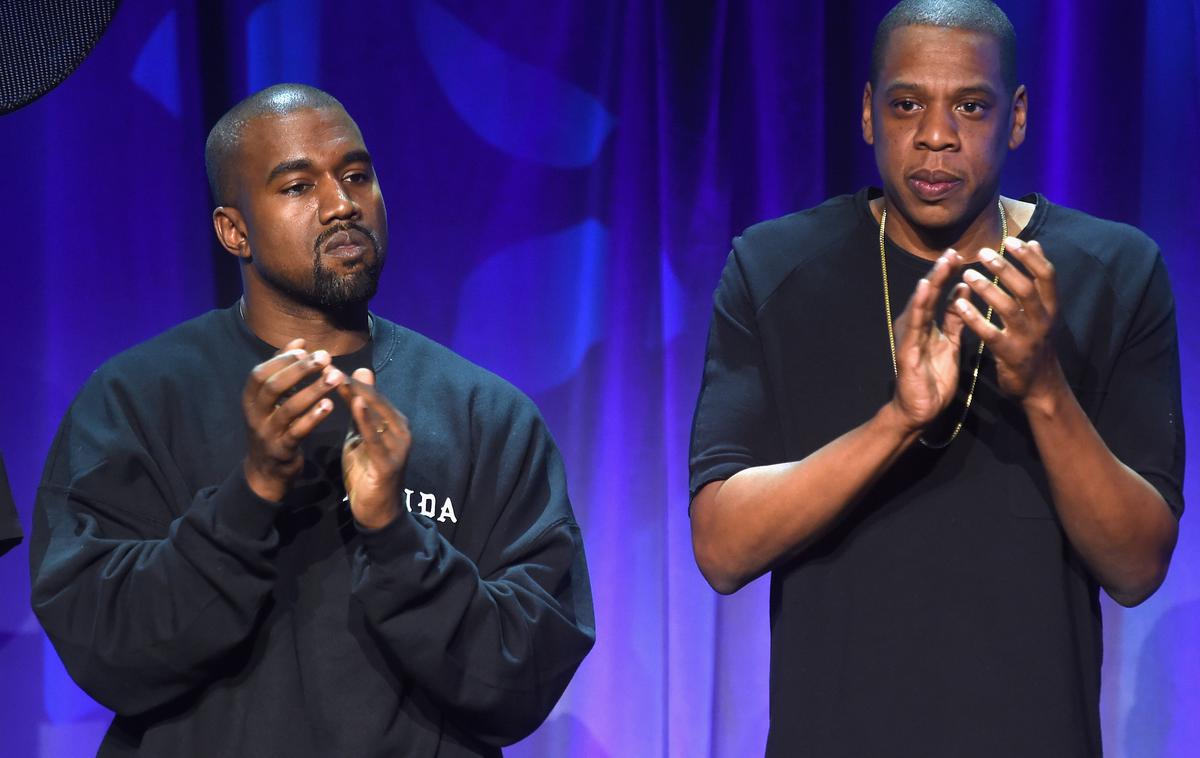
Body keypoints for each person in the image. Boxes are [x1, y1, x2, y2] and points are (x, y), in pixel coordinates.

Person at [30, 84, 595, 758]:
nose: (342, 205)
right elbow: (104, 648)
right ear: (233, 230)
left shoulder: (486, 416)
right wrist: (251, 496)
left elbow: (522, 678)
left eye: (357, 175)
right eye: (298, 187)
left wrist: (392, 533)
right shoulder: (134, 402)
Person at [688, 1, 1183, 756]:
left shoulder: (1115, 272)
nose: (936, 135)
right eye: (907, 103)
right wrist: (896, 422)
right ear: (867, 113)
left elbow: (1137, 565)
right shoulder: (773, 268)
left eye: (971, 106)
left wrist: (1045, 389)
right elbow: (722, 550)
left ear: (1016, 118)